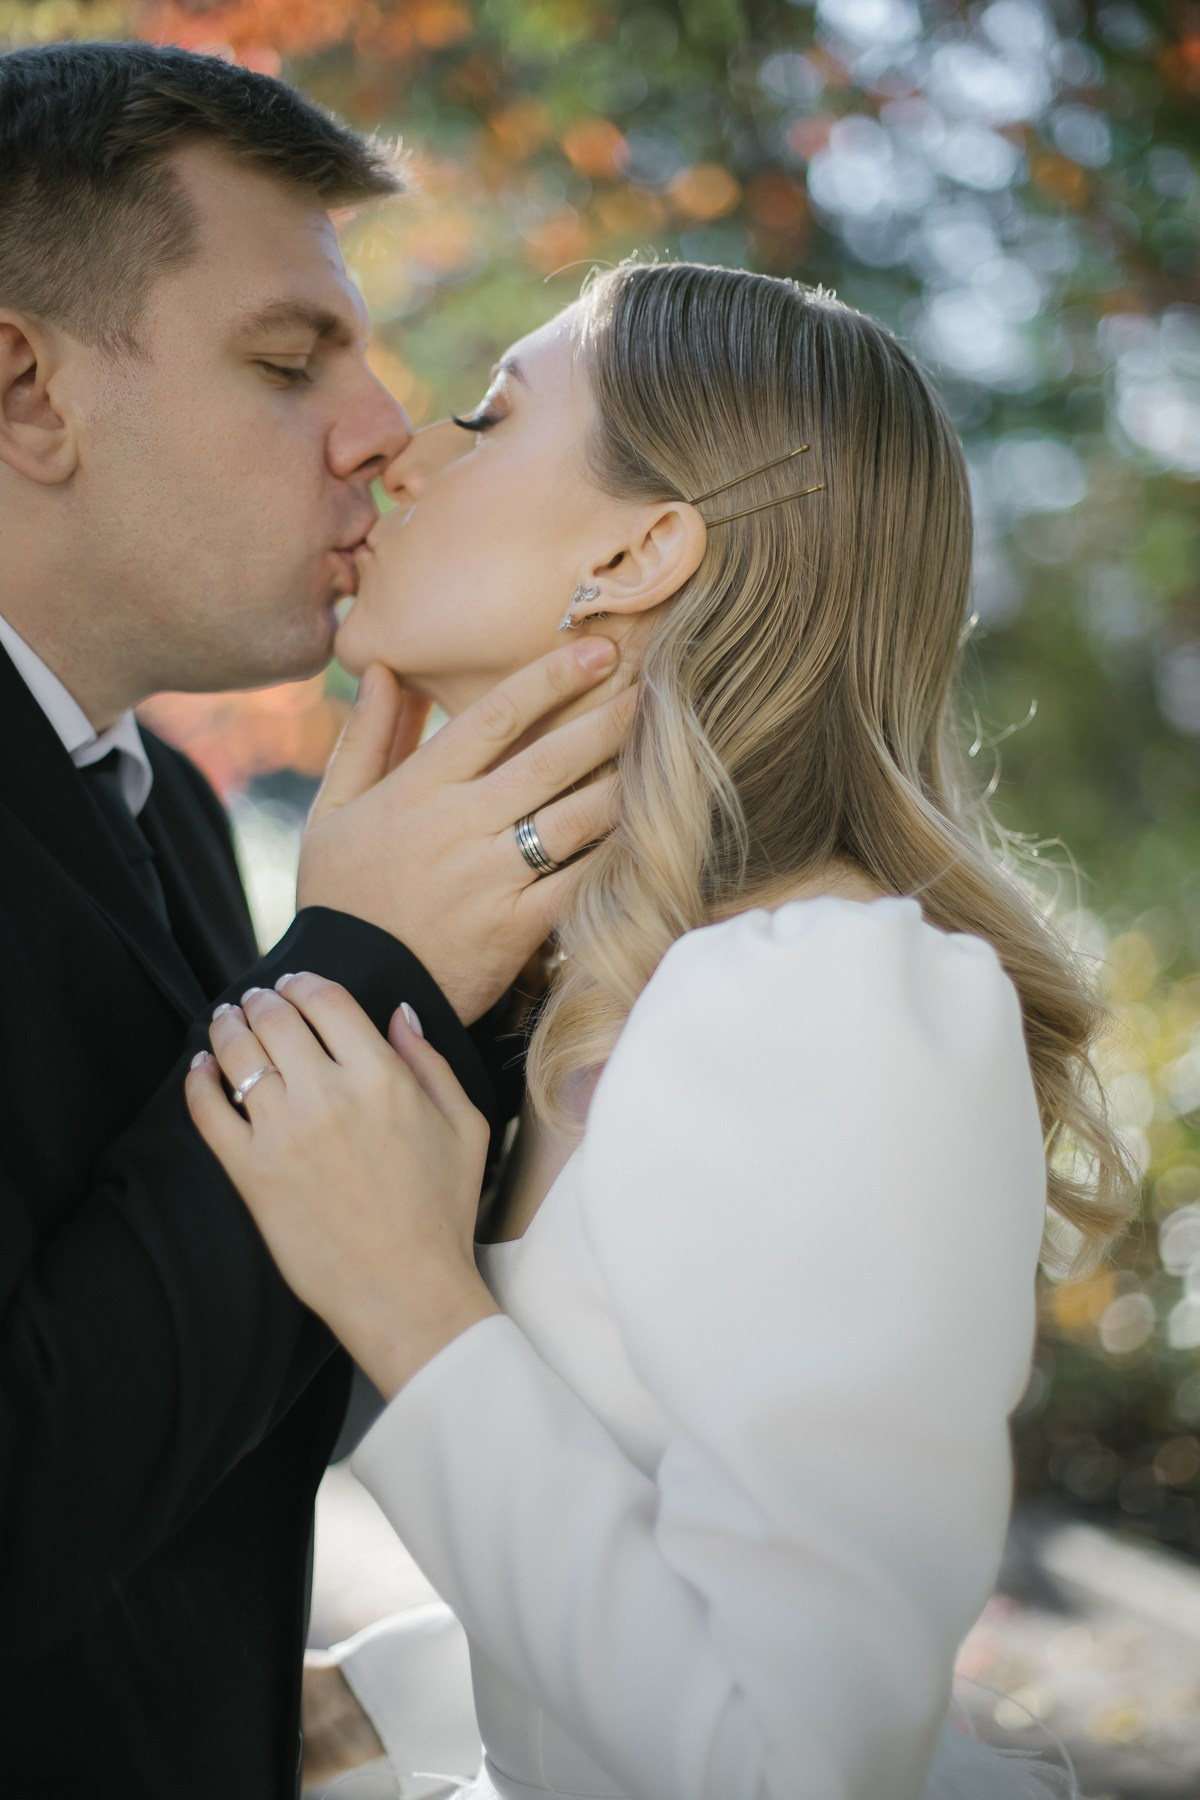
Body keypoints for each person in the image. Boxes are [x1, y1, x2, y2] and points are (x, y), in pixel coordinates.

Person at [186, 262, 1136, 1799]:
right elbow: (664, 1563)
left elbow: (797, 1765)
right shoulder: (610, 997)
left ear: (643, 548)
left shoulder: (827, 993)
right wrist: (375, 1707)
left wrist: (414, 1305)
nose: (404, 453)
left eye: (488, 416)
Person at [0, 41, 628, 1800]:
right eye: (290, 361)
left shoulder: (172, 812)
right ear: (26, 390)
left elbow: (217, 1391)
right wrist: (362, 969)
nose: (385, 429)